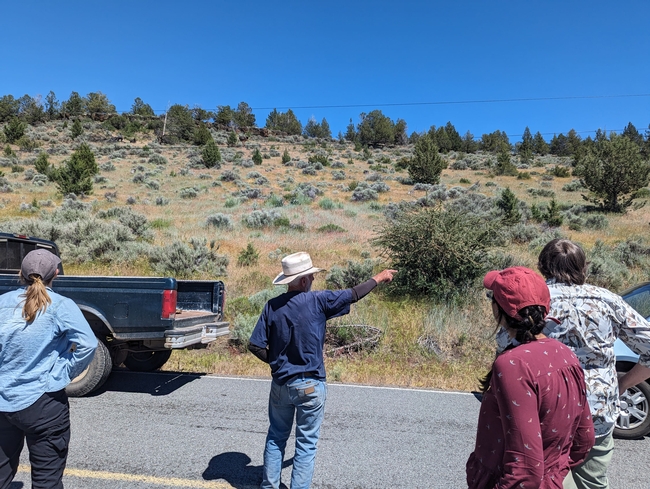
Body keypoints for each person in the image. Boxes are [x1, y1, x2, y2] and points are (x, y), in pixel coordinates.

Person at [248, 251, 396, 489]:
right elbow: (354, 294)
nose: (314, 281)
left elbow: (254, 345)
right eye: (312, 277)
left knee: (276, 438)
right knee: (306, 445)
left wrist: (277, 363)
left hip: (281, 385)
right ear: (305, 280)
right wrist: (378, 278)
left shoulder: (272, 306)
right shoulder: (319, 301)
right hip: (310, 384)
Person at [536, 239, 650, 489]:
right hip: (597, 411)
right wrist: (623, 383)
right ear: (584, 267)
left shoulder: (534, 302)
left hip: (546, 411)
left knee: (546, 480)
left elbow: (507, 354)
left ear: (542, 266)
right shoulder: (607, 300)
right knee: (593, 482)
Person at [467, 266, 595, 489]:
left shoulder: (512, 365)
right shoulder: (565, 354)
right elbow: (584, 439)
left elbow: (525, 471)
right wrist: (553, 474)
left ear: (498, 310)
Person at [0, 249, 97, 489]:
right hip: (44, 403)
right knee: (47, 480)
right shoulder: (61, 305)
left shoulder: (2, 303)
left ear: (20, 274)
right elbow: (88, 343)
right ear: (56, 273)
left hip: (2, 402)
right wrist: (62, 373)